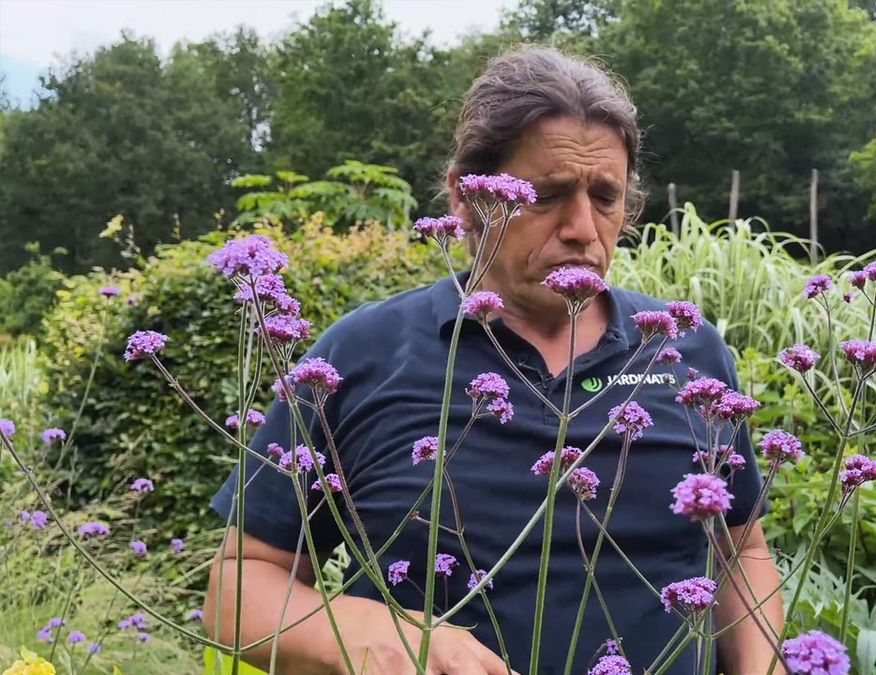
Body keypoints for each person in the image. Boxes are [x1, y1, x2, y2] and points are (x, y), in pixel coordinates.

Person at [204, 45, 784, 675]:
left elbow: (741, 552)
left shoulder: (686, 350)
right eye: (547, 195)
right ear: (466, 197)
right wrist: (374, 632)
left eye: (606, 196)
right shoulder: (360, 356)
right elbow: (239, 590)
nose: (583, 228)